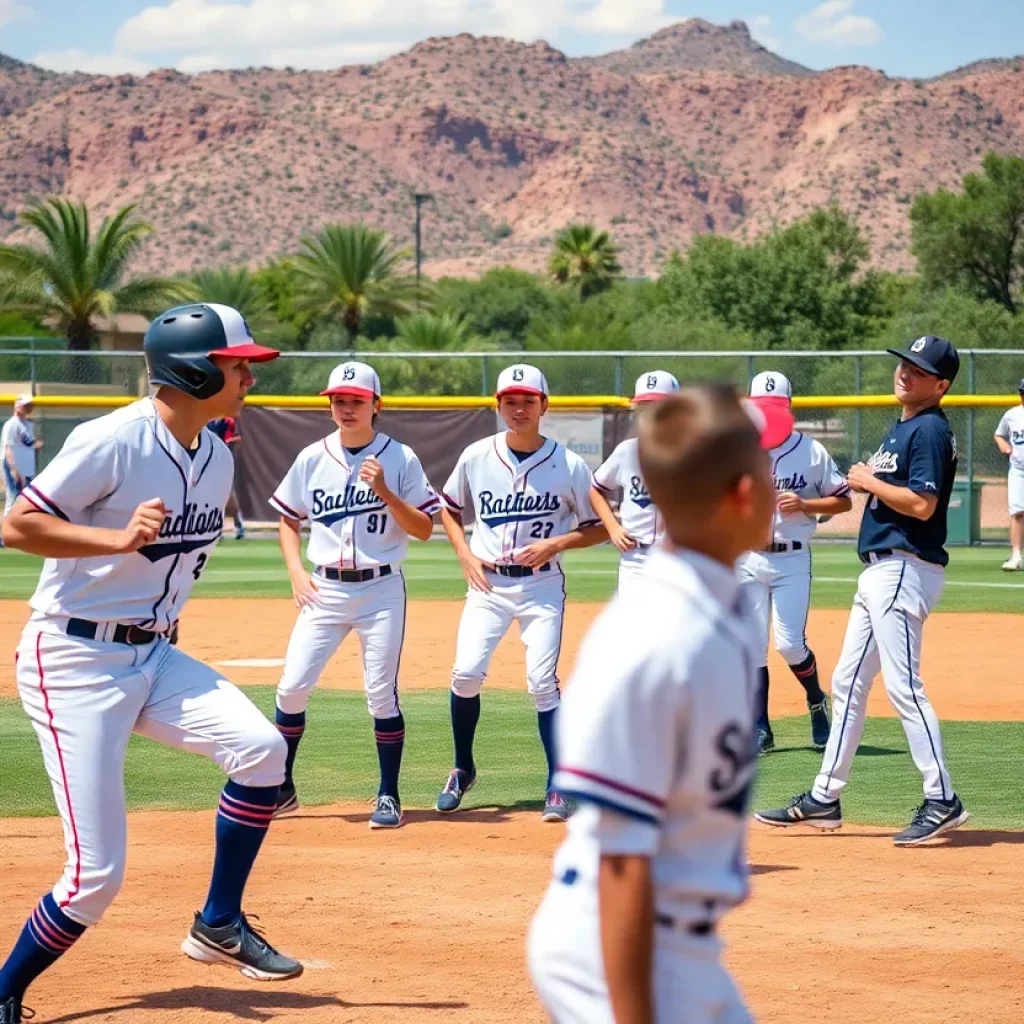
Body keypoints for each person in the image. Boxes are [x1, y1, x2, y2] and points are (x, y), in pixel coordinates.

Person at [0, 303, 303, 1024]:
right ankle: (5, 989)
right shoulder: (112, 439)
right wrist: (113, 542)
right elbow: (17, 525)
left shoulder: (220, 455)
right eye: (237, 365)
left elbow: (171, 570)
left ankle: (218, 923)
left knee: (262, 751)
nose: (247, 377)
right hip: (72, 659)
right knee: (93, 879)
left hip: (151, 654)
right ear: (194, 370)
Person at [528, 384, 791, 1024]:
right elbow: (622, 861)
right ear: (742, 495)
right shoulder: (654, 640)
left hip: (682, 946)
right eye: (766, 464)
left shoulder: (720, 605)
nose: (777, 479)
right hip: (612, 949)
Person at [756, 336, 971, 847]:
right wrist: (870, 480)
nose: (905, 373)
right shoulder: (906, 427)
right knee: (847, 684)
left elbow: (922, 505)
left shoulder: (930, 431)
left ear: (940, 385)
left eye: (918, 371)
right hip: (880, 570)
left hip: (902, 566)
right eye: (904, 365)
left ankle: (942, 798)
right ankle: (825, 797)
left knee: (903, 687)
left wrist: (869, 481)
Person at [269, 361, 440, 829]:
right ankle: (281, 788)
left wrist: (384, 489)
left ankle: (388, 794)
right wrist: (295, 572)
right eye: (338, 400)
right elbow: (288, 518)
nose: (345, 407)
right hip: (323, 589)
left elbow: (424, 528)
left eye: (356, 400)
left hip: (381, 588)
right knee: (291, 686)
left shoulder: (400, 458)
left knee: (380, 695)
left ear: (375, 405)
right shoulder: (311, 457)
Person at [435, 363, 606, 823]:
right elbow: (448, 509)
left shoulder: (569, 464)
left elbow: (597, 530)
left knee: (540, 682)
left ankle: (559, 782)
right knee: (465, 674)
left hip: (541, 585)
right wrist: (465, 556)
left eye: (528, 400)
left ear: (544, 406)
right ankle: (463, 767)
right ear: (499, 406)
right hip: (488, 582)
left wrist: (556, 542)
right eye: (509, 400)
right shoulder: (475, 455)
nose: (518, 407)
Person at [737, 371, 852, 756]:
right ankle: (760, 727)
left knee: (788, 644)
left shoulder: (812, 451)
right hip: (747, 559)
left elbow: (843, 500)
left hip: (792, 558)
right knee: (751, 646)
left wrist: (806, 504)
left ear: (788, 409)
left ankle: (816, 700)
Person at [590, 370, 679, 599]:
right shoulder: (627, 451)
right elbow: (594, 489)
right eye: (644, 407)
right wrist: (612, 527)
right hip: (635, 558)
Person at [993, 379, 1024, 571]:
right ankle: (1016, 555)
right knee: (1018, 512)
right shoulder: (1012, 415)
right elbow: (999, 434)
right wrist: (1003, 444)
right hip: (1019, 470)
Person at [2, 395, 43, 522]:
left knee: (25, 499)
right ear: (16, 406)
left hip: (26, 468)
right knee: (13, 498)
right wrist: (14, 469)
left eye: (29, 405)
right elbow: (8, 447)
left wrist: (37, 444)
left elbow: (28, 444)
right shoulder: (12, 424)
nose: (28, 408)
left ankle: (19, 530)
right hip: (14, 466)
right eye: (25, 405)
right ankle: (5, 534)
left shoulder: (27, 424)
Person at [207, 415, 246, 540]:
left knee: (228, 494)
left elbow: (230, 439)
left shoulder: (227, 421)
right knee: (210, 496)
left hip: (222, 460)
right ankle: (215, 528)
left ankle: (238, 524)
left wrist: (228, 442)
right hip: (206, 460)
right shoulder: (204, 420)